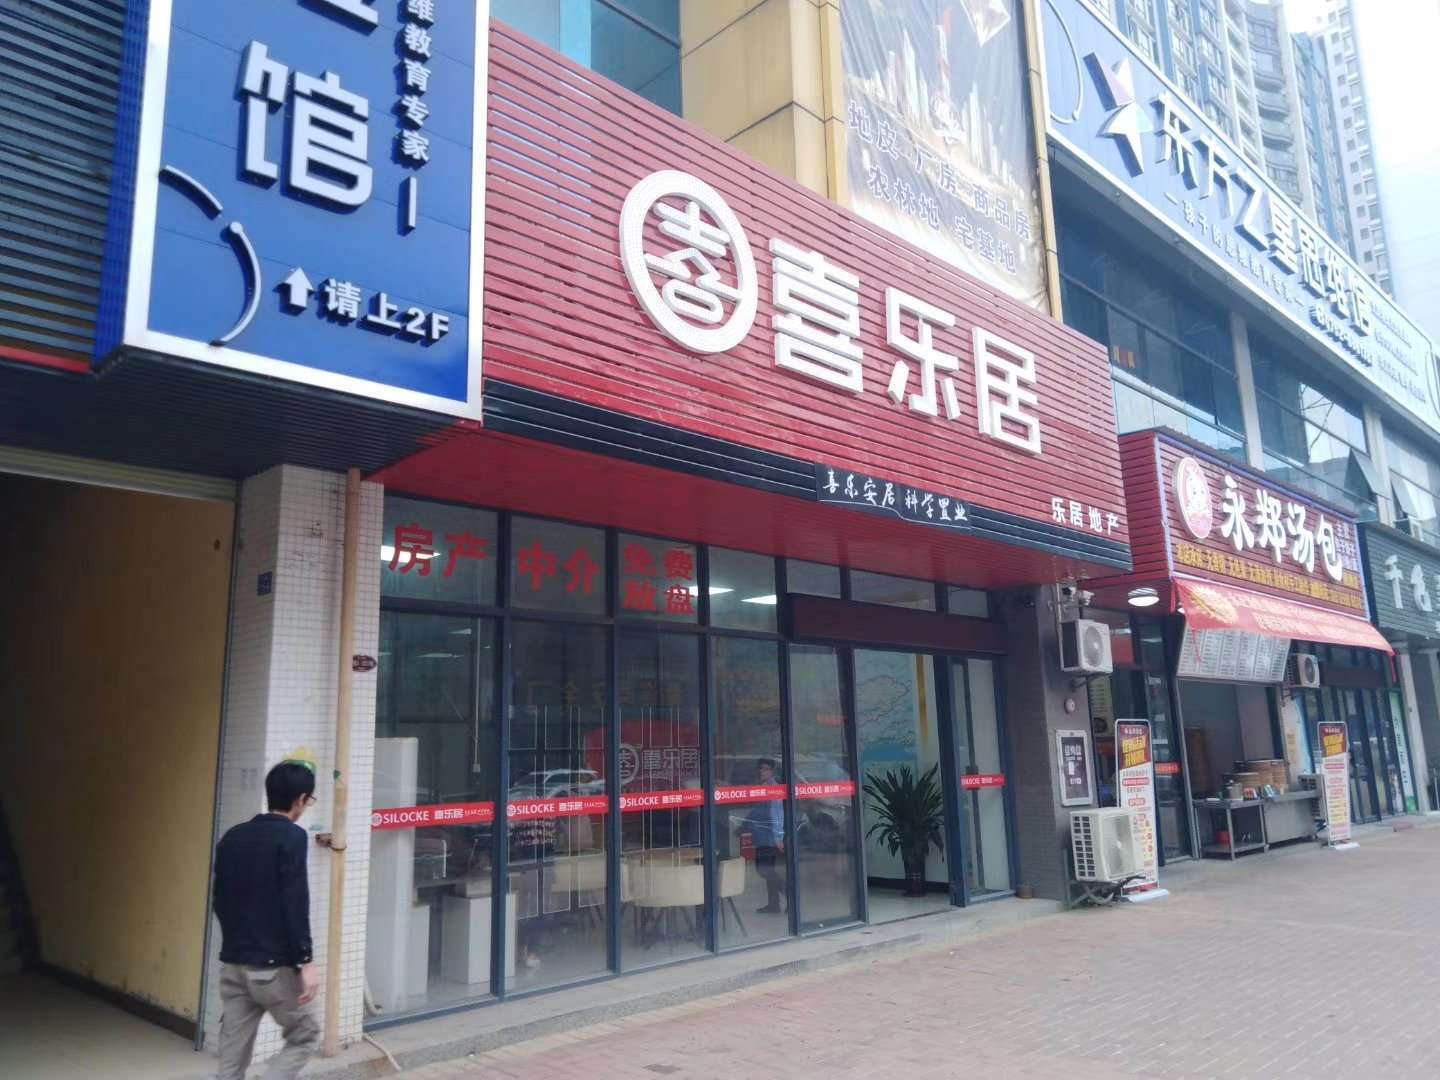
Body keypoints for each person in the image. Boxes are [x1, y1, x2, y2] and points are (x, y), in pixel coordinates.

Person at [213, 761, 321, 1080]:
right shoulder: (292, 836)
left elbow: (220, 900)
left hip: (234, 965)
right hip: (272, 969)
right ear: (300, 799)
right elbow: (294, 901)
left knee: (231, 1059)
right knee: (304, 1036)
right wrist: (306, 961)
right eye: (309, 801)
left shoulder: (233, 837)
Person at [749, 758, 786, 914]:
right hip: (760, 835)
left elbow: (777, 814)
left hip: (769, 838)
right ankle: (773, 904)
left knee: (764, 870)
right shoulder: (761, 787)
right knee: (767, 870)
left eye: (765, 769)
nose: (761, 771)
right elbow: (756, 811)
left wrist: (778, 837)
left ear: (772, 771)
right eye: (760, 768)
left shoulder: (774, 789)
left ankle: (790, 895)